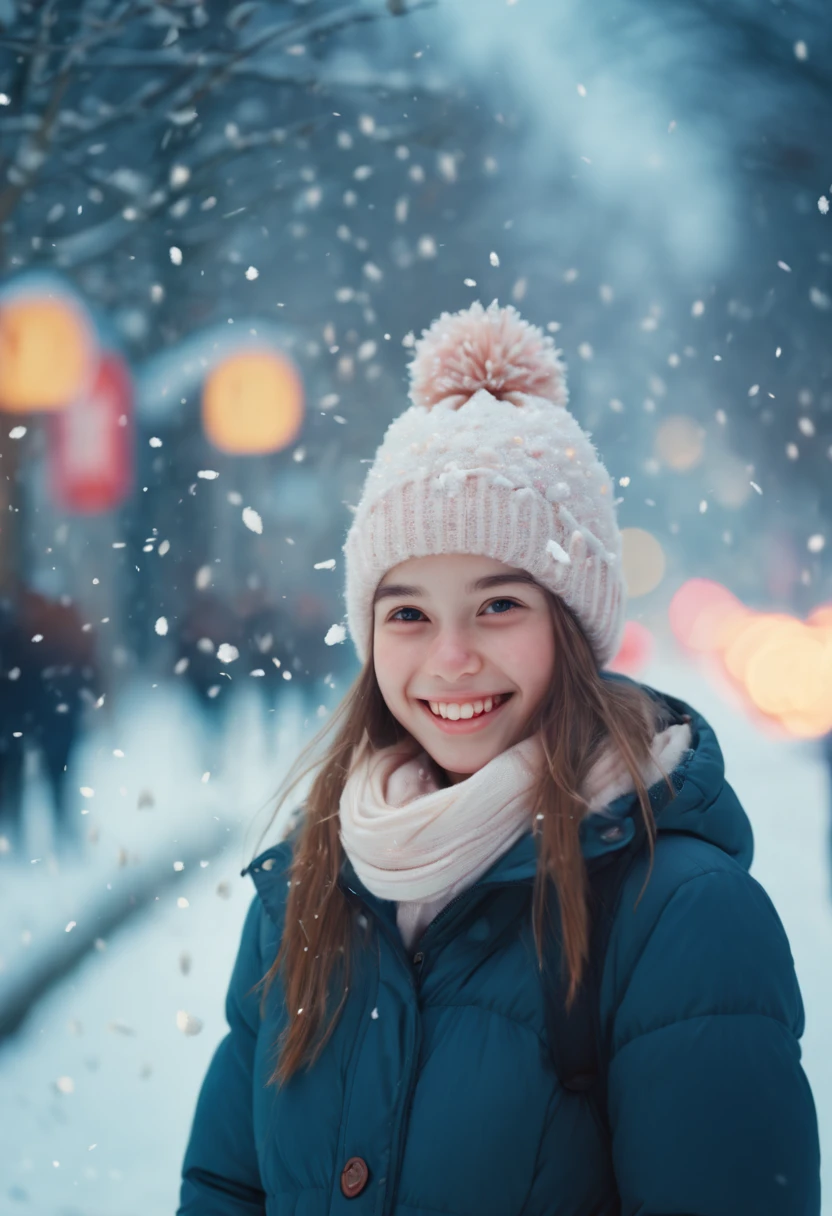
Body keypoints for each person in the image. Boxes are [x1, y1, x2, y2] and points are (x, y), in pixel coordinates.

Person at [177, 301, 821, 1215]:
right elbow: (225, 1187)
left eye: (498, 606)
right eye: (407, 613)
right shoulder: (309, 889)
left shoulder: (682, 920)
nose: (450, 658)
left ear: (573, 627)